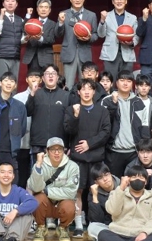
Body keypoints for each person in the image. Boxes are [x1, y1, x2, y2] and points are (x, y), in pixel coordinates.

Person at [64, 79, 111, 238]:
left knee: (96, 190)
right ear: (78, 92)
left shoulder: (102, 111)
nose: (86, 92)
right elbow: (68, 131)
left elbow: (106, 132)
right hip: (78, 159)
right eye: (83, 89)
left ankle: (95, 223)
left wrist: (89, 144)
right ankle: (78, 224)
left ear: (94, 92)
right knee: (77, 191)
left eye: (89, 89)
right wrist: (75, 116)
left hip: (96, 158)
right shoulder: (72, 109)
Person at [28, 137, 79, 241]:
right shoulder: (39, 165)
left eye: (59, 149)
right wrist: (38, 165)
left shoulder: (73, 166)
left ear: (64, 151)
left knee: (70, 206)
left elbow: (70, 192)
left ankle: (63, 228)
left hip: (62, 204)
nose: (56, 153)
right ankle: (41, 227)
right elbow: (36, 188)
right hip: (46, 205)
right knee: (37, 199)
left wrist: (47, 191)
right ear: (47, 151)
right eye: (53, 149)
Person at [98, 164, 152, 241]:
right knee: (103, 234)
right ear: (128, 180)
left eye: (141, 177)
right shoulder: (116, 193)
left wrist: (145, 232)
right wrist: (121, 188)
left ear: (146, 181)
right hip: (117, 234)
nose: (138, 179)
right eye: (134, 177)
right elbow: (113, 211)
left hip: (140, 237)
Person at [103, 71, 150, 177]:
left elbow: (145, 128)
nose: (125, 83)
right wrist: (113, 104)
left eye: (129, 81)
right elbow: (104, 125)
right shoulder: (107, 101)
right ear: (116, 83)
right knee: (114, 183)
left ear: (133, 84)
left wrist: (143, 150)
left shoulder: (139, 102)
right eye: (122, 80)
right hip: (113, 151)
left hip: (134, 152)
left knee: (134, 182)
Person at [0, 162, 37, 241]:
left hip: (14, 230)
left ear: (13, 176)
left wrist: (16, 211)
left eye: (9, 172)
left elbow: (33, 202)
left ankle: (12, 238)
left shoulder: (18, 191)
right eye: (3, 172)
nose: (6, 175)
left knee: (27, 214)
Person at [56, 0, 99, 89]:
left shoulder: (91, 15)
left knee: (86, 84)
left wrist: (89, 37)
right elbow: (58, 34)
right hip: (69, 53)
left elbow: (96, 35)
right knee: (68, 85)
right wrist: (61, 22)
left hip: (84, 53)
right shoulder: (63, 14)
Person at [26, 65, 70, 160]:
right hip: (39, 143)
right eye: (47, 73)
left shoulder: (66, 96)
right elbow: (28, 112)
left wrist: (68, 144)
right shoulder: (36, 94)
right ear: (42, 78)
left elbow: (70, 121)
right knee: (38, 169)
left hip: (59, 143)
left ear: (57, 77)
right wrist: (32, 93)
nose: (50, 76)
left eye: (53, 73)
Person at [97, 0, 139, 77]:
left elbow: (136, 36)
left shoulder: (132, 18)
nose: (119, 1)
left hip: (127, 54)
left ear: (126, 1)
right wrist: (102, 20)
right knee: (110, 81)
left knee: (126, 81)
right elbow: (101, 34)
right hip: (110, 54)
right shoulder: (106, 16)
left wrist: (132, 43)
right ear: (113, 1)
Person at [0, 0, 25, 83]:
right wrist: (1, 17)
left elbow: (22, 40)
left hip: (15, 56)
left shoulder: (21, 20)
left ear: (16, 4)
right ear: (3, 3)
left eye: (13, 1)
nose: (10, 3)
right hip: (1, 56)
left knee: (13, 84)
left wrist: (27, 38)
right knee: (1, 84)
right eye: (7, 1)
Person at [22, 0, 57, 72]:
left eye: (46, 7)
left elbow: (52, 39)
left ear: (49, 10)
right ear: (37, 9)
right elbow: (23, 29)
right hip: (32, 57)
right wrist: (28, 15)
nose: (43, 9)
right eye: (41, 7)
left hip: (46, 57)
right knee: (33, 77)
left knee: (46, 78)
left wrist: (40, 38)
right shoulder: (31, 22)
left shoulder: (53, 24)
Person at [87, 163, 120, 241]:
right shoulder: (94, 192)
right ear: (96, 182)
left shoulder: (123, 186)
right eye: (100, 178)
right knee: (92, 227)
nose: (105, 179)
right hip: (108, 226)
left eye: (106, 175)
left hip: (123, 224)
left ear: (110, 174)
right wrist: (95, 196)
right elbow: (97, 220)